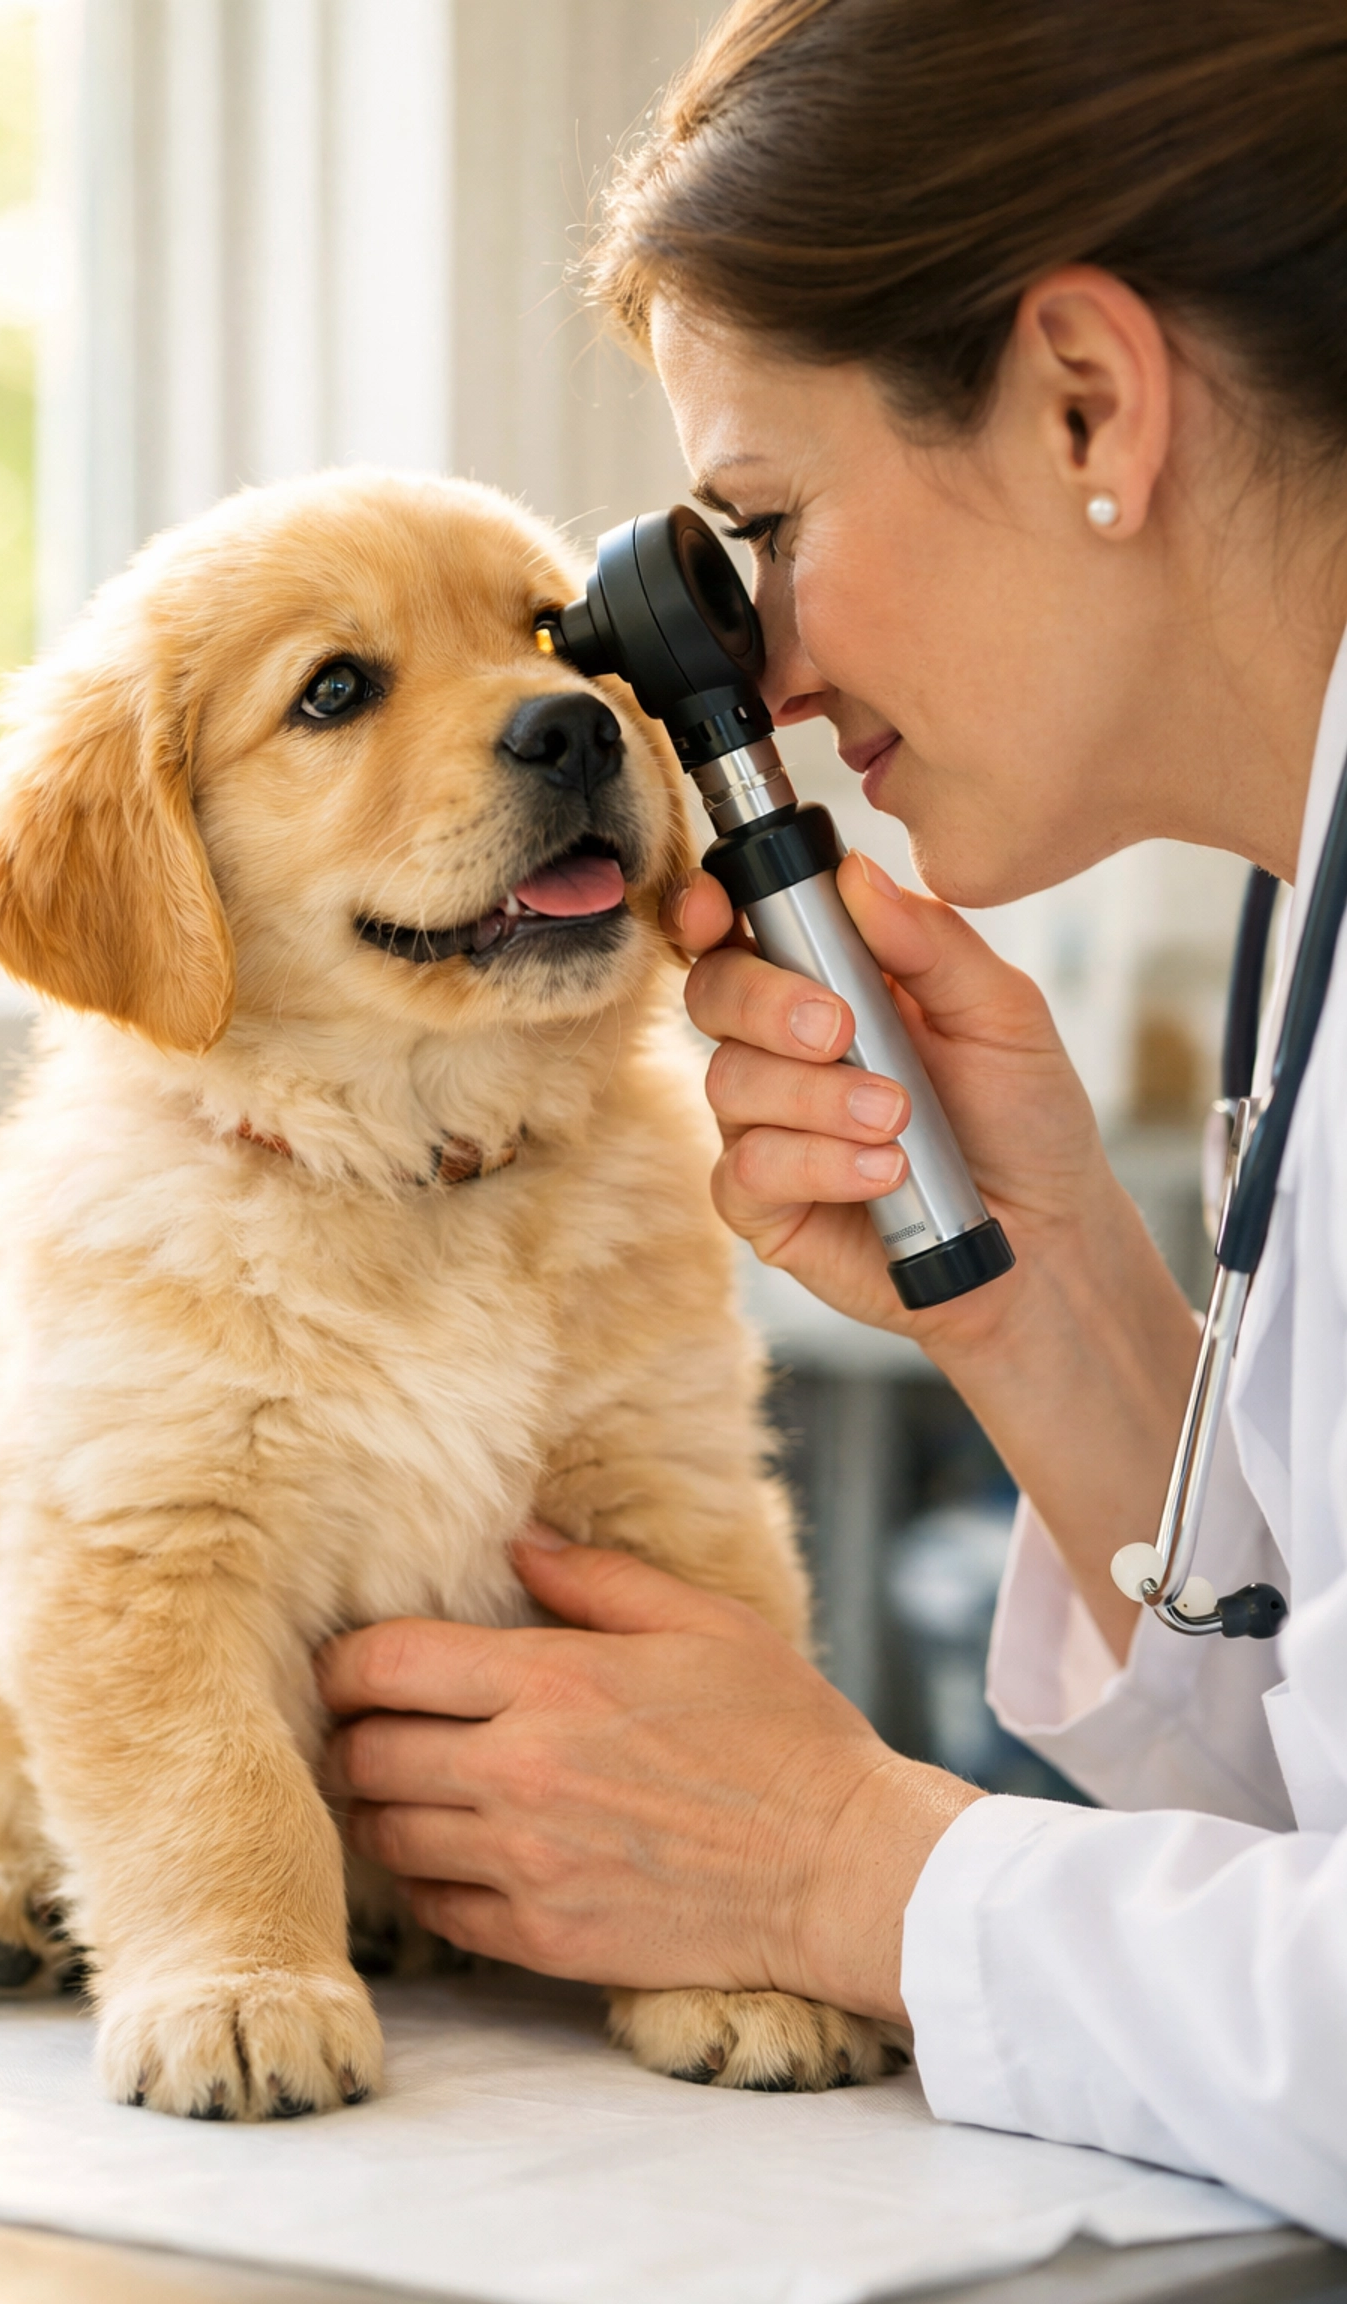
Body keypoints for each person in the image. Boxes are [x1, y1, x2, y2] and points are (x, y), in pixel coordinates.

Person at [317, 0, 1347, 2236]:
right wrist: (1051, 1297)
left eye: (764, 520)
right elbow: (1322, 1816)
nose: (749, 672)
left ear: (1091, 397)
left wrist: (847, 1866)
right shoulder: (1313, 913)